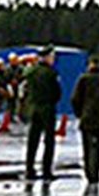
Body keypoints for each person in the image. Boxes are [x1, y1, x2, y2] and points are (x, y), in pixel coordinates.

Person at [71, 54, 99, 185]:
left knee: (87, 147)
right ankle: (95, 171)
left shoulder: (84, 79)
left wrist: (79, 113)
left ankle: (88, 171)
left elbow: (75, 98)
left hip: (87, 117)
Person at [23, 48, 63, 180]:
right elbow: (56, 93)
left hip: (33, 107)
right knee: (49, 141)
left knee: (32, 140)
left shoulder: (31, 71)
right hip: (47, 108)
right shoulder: (51, 73)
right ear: (47, 58)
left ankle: (29, 169)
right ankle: (46, 170)